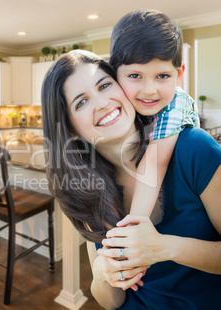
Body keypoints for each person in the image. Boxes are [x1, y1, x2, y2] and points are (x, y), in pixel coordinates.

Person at [41, 49, 221, 309]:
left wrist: (165, 247)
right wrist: (103, 276)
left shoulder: (193, 148)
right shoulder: (86, 187)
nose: (102, 103)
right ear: (70, 128)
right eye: (81, 102)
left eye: (105, 85)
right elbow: (112, 301)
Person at [110, 9, 199, 219]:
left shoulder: (176, 104)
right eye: (134, 75)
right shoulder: (123, 107)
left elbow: (154, 164)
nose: (149, 90)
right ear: (114, 73)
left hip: (187, 201)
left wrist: (134, 225)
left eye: (162, 75)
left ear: (179, 75)